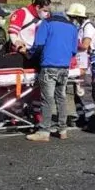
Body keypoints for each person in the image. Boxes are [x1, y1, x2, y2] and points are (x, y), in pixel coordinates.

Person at [25, 9, 79, 142]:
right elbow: (73, 50)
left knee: (47, 99)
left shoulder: (47, 23)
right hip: (64, 68)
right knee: (61, 97)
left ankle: (44, 131)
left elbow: (39, 44)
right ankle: (62, 129)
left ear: (50, 13)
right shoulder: (72, 27)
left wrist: (30, 55)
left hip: (49, 66)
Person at [66, 3, 95, 133]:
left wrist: (70, 45)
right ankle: (82, 117)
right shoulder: (81, 27)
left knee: (84, 92)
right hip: (79, 64)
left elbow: (85, 45)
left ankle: (91, 120)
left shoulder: (88, 27)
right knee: (78, 92)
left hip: (86, 66)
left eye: (72, 17)